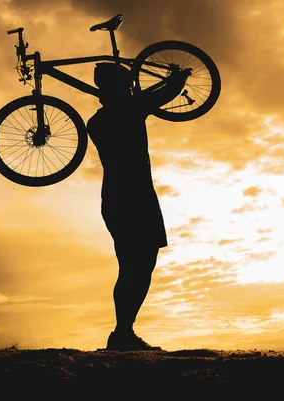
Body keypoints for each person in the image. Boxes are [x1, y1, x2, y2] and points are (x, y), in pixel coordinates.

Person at [86, 62, 191, 351]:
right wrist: (180, 76)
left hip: (116, 198)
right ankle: (122, 332)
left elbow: (150, 98)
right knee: (140, 265)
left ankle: (123, 331)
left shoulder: (97, 121)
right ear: (122, 87)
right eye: (128, 84)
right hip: (136, 196)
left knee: (132, 265)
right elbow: (165, 94)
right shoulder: (129, 109)